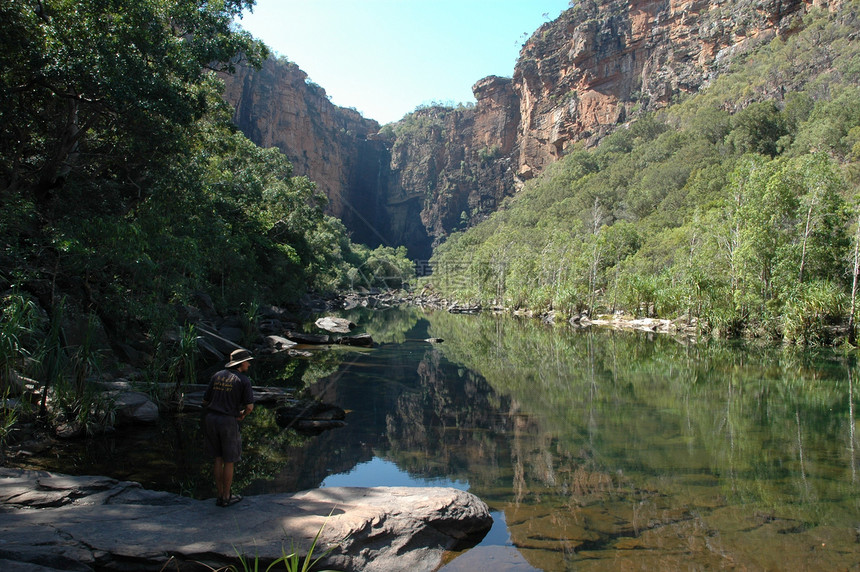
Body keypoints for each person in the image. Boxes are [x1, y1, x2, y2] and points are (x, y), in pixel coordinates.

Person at [202, 348, 255, 507]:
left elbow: (205, 401)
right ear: (240, 364)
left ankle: (219, 495)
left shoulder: (217, 376)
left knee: (217, 458)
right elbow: (250, 407)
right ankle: (226, 497)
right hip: (227, 421)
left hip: (211, 419)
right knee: (229, 460)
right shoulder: (243, 380)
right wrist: (242, 414)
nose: (249, 364)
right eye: (247, 361)